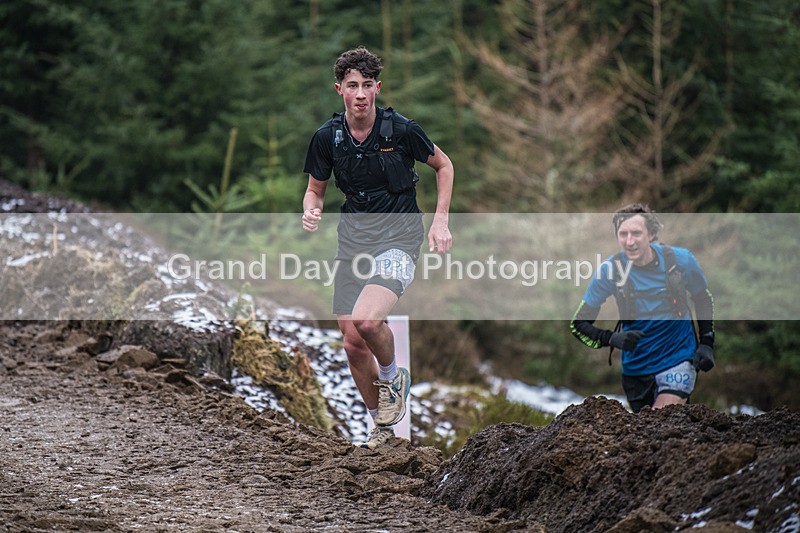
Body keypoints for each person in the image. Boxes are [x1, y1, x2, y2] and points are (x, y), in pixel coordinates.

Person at [301, 47, 454, 449]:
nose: (361, 93)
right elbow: (314, 190)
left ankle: (392, 378)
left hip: (400, 237)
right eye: (353, 86)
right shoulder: (327, 138)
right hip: (354, 240)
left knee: (369, 322)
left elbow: (444, 166)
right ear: (340, 90)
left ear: (377, 88)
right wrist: (311, 210)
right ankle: (382, 432)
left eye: (368, 85)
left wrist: (440, 220)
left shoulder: (402, 130)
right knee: (352, 341)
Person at [570, 204, 715, 413]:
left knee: (658, 420)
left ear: (652, 234)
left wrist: (707, 343)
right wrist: (611, 339)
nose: (630, 242)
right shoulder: (610, 271)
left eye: (636, 233)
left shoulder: (680, 261)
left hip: (678, 358)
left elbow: (703, 299)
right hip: (636, 370)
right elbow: (578, 324)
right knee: (647, 435)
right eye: (623, 234)